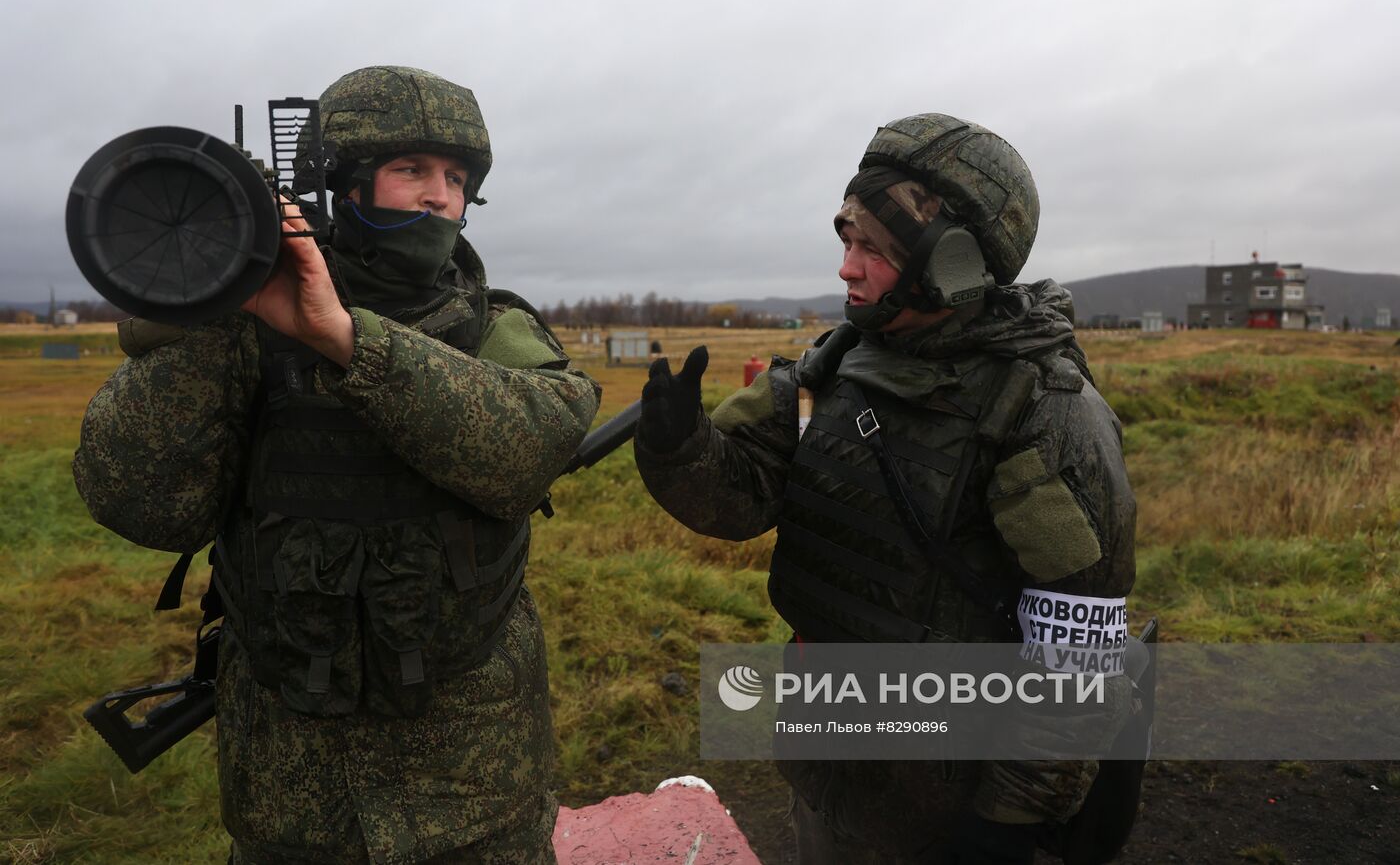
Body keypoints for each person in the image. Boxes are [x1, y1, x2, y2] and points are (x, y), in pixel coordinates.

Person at [73, 65, 600, 864]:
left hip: (474, 786)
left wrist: (345, 339)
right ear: (341, 185)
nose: (438, 197)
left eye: (456, 179)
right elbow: (139, 501)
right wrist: (227, 294)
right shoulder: (240, 333)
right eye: (411, 170)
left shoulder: (493, 327)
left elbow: (527, 450)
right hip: (291, 790)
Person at [634, 114, 1136, 864]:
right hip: (834, 768)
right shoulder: (833, 371)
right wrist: (681, 446)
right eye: (846, 240)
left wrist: (1008, 819)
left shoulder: (1041, 412)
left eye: (873, 248)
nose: (846, 267)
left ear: (955, 262)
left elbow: (1076, 649)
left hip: (956, 803)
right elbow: (744, 496)